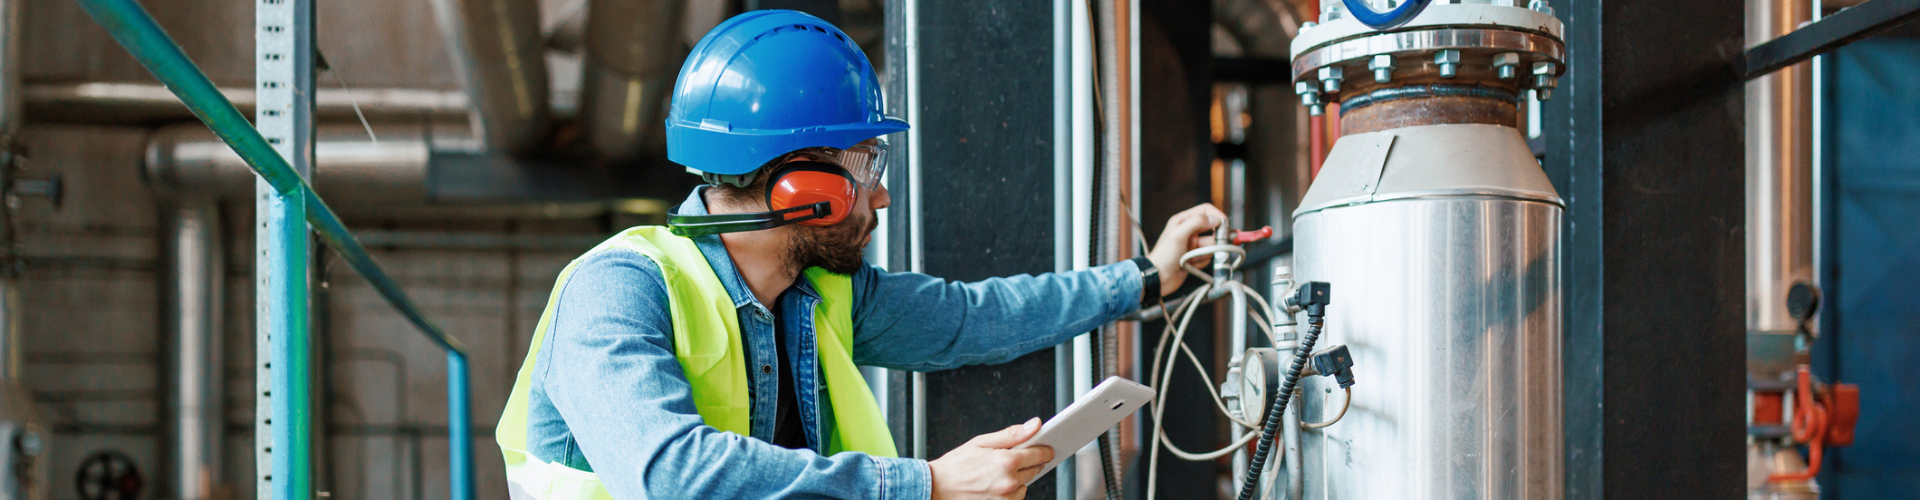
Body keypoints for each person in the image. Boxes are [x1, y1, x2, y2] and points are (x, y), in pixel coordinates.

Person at [495, 9, 1227, 500]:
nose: (880, 198)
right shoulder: (619, 290)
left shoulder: (822, 291)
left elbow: (975, 319)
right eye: (866, 168)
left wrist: (1143, 277)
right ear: (799, 185)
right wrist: (928, 485)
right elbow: (673, 472)